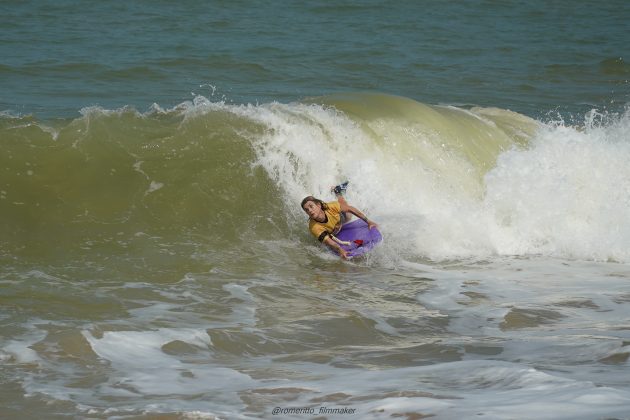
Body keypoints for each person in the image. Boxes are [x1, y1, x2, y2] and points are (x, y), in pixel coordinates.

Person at [301, 183, 378, 259]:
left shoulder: (330, 207)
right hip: (330, 233)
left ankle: (337, 191)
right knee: (326, 243)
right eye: (307, 210)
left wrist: (368, 221)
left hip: (339, 218)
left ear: (318, 205)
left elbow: (350, 209)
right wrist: (340, 249)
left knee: (347, 214)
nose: (310, 211)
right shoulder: (314, 227)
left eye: (311, 206)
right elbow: (328, 241)